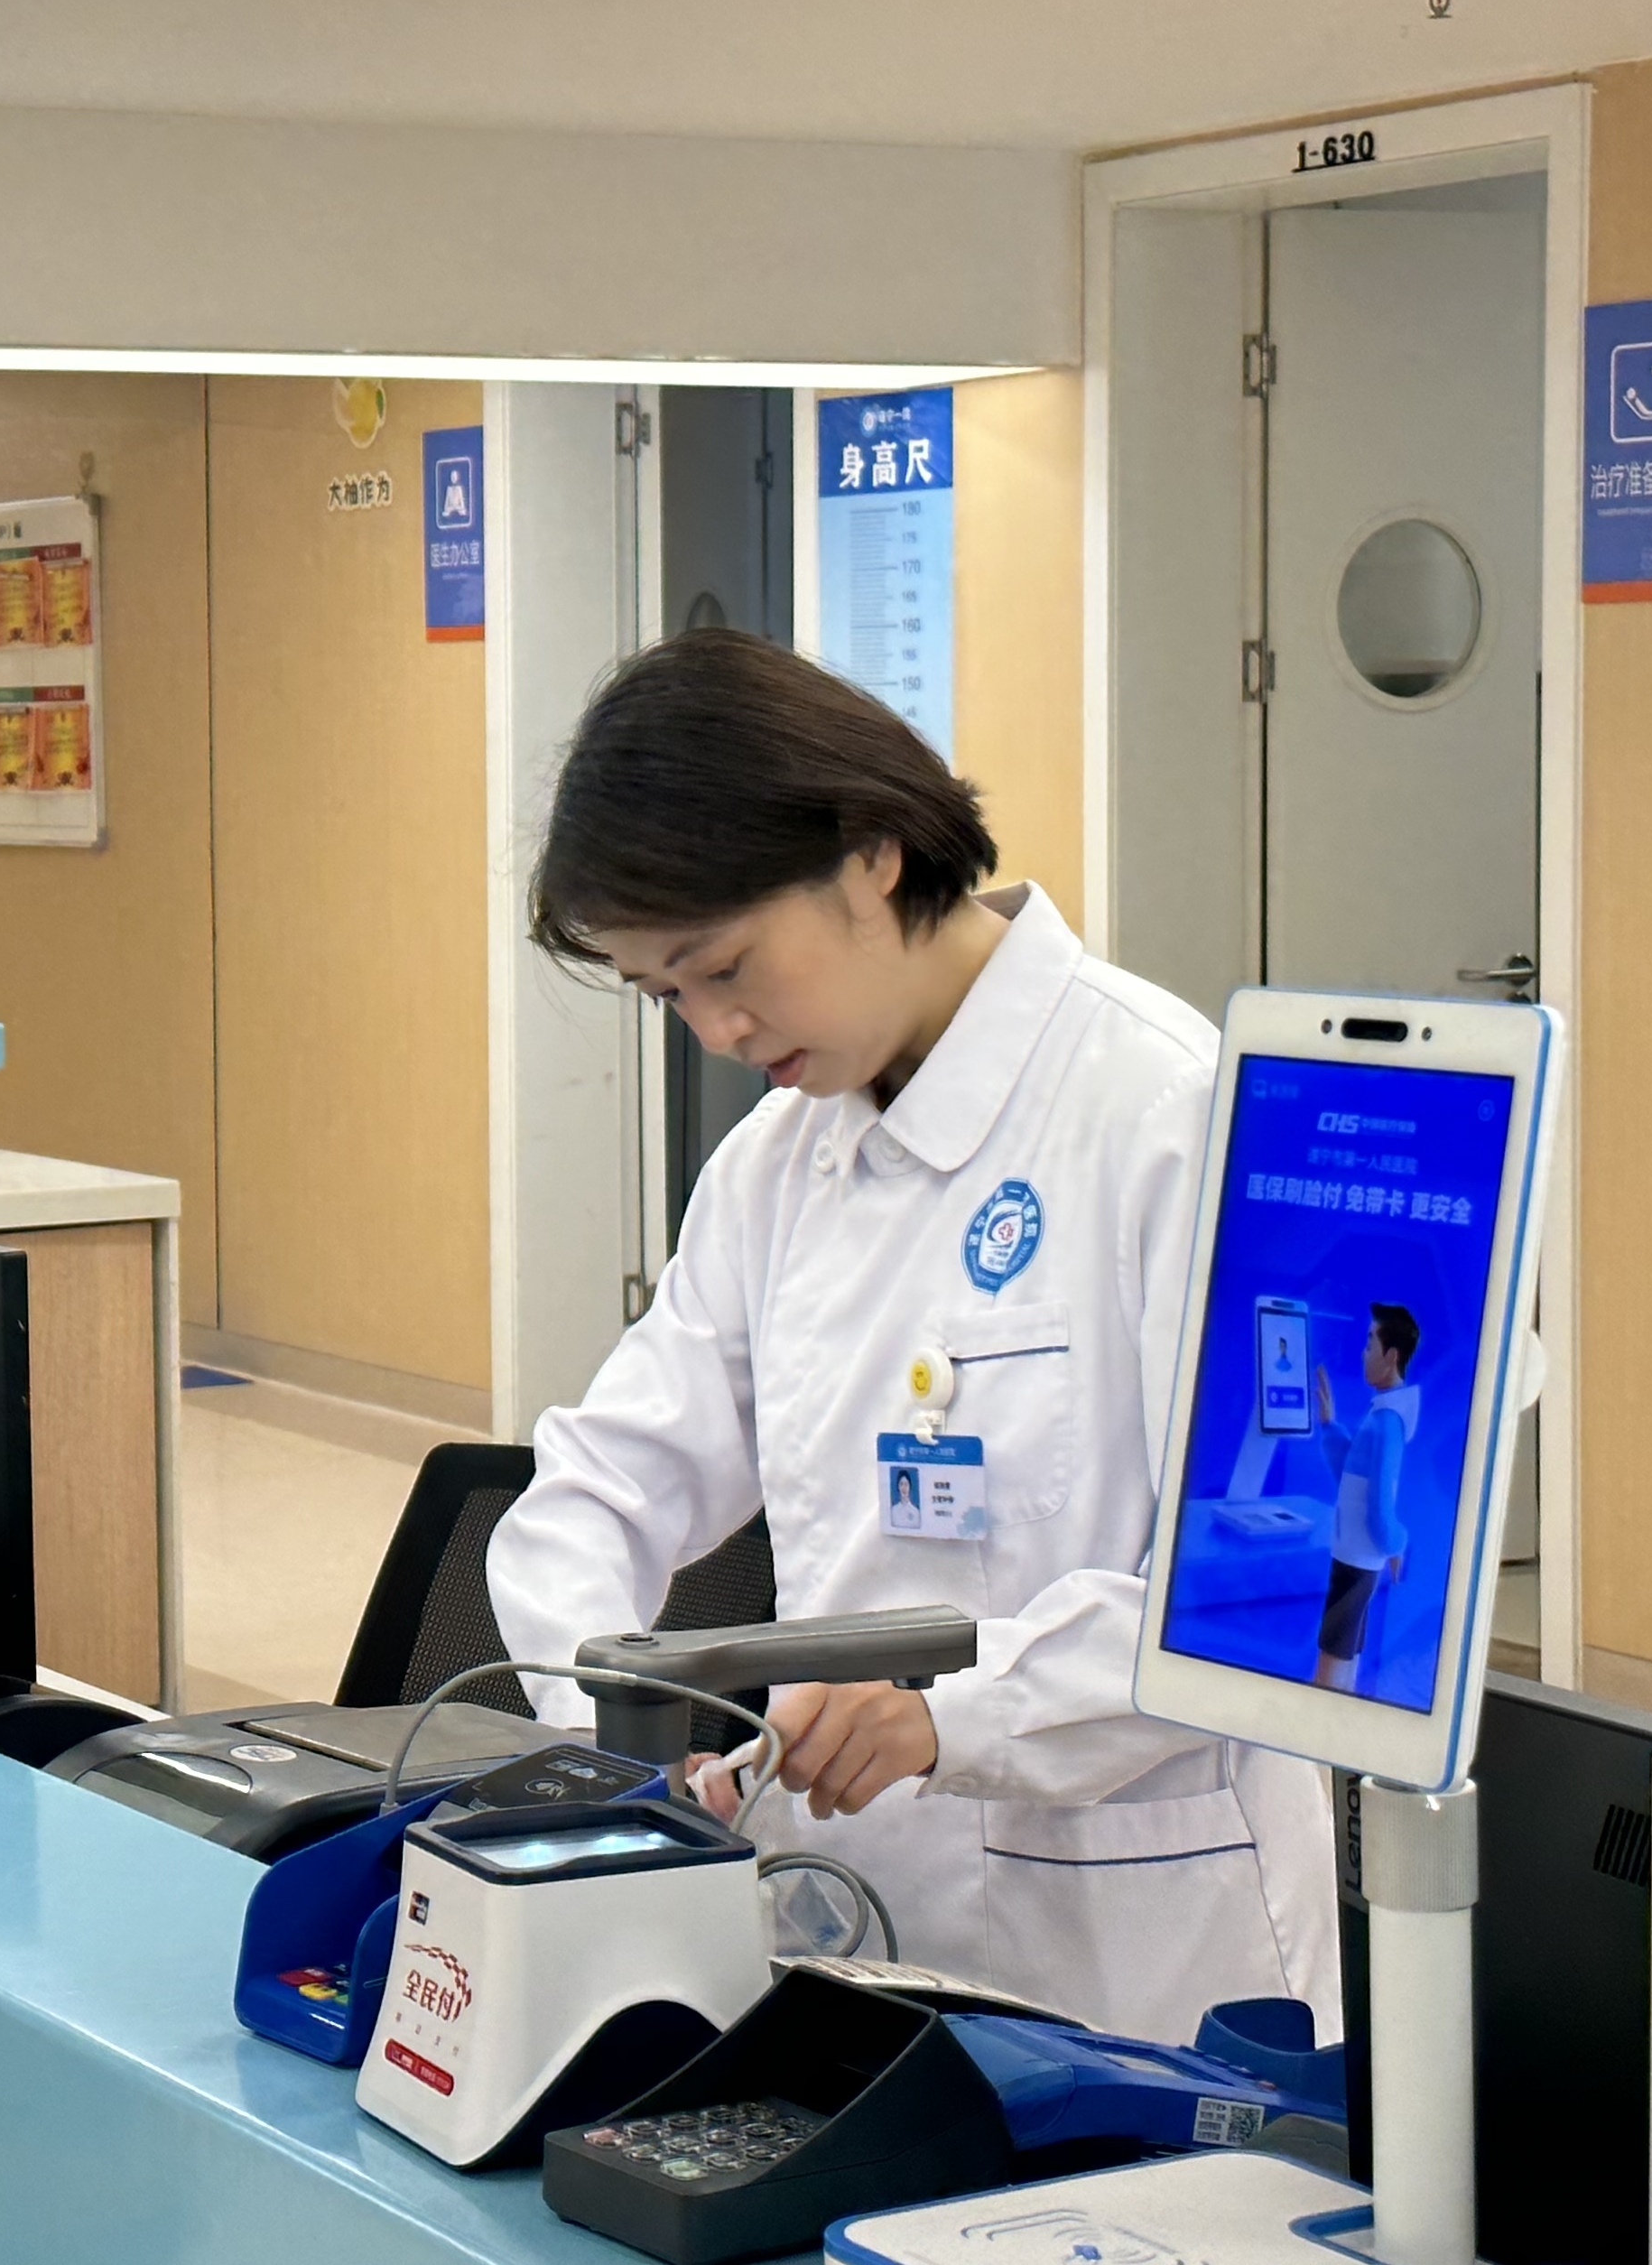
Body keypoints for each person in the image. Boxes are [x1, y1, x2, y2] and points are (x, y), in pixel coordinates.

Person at [488, 629, 1334, 2043]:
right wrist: (617, 1743)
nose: (715, 1030)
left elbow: (1272, 1582)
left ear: (872, 852)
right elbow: (600, 1486)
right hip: (852, 1925)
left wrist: (958, 1713)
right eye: (667, 996)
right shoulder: (776, 1171)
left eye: (725, 966)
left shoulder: (1170, 1112)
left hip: (1143, 1955)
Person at [1311, 1304, 1422, 1693]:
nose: (1363, 1353)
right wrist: (1330, 1425)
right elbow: (1352, 1475)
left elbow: (1378, 1506)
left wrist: (1396, 1543)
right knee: (1346, 1647)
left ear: (1391, 1356)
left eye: (1370, 1344)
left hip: (1357, 1559)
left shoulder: (1388, 1423)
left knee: (1335, 1651)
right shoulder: (1380, 1416)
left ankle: (1322, 1714)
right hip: (1354, 1554)